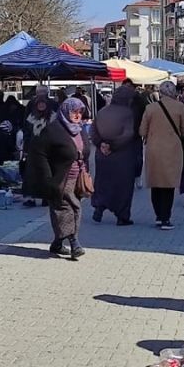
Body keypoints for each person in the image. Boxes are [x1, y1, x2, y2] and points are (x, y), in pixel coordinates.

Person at [26, 98, 93, 260]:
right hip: (60, 178)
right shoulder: (52, 130)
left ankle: (57, 243)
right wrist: (48, 178)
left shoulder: (80, 129)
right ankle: (74, 242)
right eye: (74, 112)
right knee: (66, 208)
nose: (77, 115)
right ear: (65, 111)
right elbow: (39, 153)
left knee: (75, 207)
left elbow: (85, 152)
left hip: (78, 178)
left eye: (80, 112)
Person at [139, 81, 184, 230]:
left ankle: (158, 216)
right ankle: (165, 218)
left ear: (160, 92)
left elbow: (142, 131)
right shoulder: (179, 107)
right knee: (168, 185)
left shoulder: (150, 108)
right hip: (172, 149)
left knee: (156, 184)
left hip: (153, 150)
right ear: (174, 92)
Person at [90, 84, 138, 226]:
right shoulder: (127, 113)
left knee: (102, 182)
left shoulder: (102, 111)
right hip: (121, 155)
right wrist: (114, 146)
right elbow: (128, 134)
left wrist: (101, 144)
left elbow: (93, 131)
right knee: (123, 186)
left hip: (102, 154)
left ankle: (99, 207)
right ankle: (122, 216)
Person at [19, 91, 57, 207]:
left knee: (46, 174)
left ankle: (46, 197)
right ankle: (31, 198)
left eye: (43, 103)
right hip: (32, 150)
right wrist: (25, 149)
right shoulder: (31, 117)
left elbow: (56, 132)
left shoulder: (53, 117)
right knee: (31, 175)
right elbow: (26, 132)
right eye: (39, 104)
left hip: (48, 150)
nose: (41, 105)